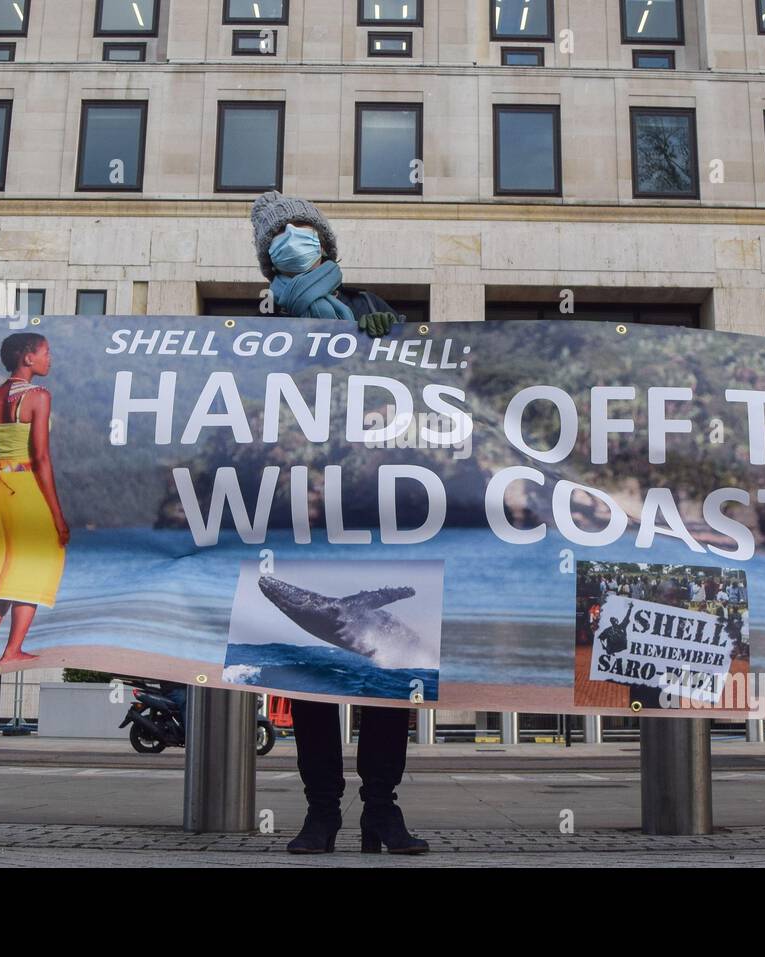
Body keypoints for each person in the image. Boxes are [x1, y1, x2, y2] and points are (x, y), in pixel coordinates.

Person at [250, 190, 426, 855]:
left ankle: (381, 809)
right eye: (278, 235)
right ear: (268, 258)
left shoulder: (371, 308)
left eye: (301, 230)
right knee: (313, 674)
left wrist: (392, 344)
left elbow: (415, 383)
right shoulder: (259, 323)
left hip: (378, 508)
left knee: (387, 675)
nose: (291, 239)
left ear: (326, 244)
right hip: (302, 512)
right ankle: (320, 811)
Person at [0, 332, 69, 668]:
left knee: (1, 567)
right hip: (27, 486)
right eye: (45, 352)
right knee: (34, 567)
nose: (49, 359)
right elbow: (41, 458)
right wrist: (57, 516)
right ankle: (12, 649)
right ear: (28, 358)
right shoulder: (38, 396)